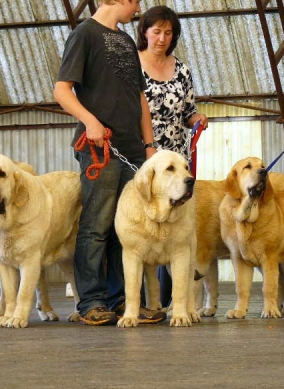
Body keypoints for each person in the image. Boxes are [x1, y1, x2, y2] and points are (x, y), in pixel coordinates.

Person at [53, 0, 165, 326]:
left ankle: (124, 302)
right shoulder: (84, 34)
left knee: (127, 229)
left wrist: (149, 144)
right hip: (100, 149)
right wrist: (90, 121)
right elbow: (62, 89)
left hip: (132, 150)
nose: (138, 7)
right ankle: (91, 301)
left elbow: (140, 97)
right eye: (135, 1)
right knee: (96, 227)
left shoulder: (128, 41)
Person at [136, 5, 208, 308]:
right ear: (144, 32)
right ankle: (139, 300)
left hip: (176, 160)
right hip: (142, 158)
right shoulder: (131, 65)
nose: (162, 38)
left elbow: (188, 110)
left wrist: (197, 119)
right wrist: (147, 149)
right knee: (141, 227)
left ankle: (170, 300)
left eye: (168, 32)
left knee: (174, 228)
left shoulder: (183, 69)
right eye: (156, 31)